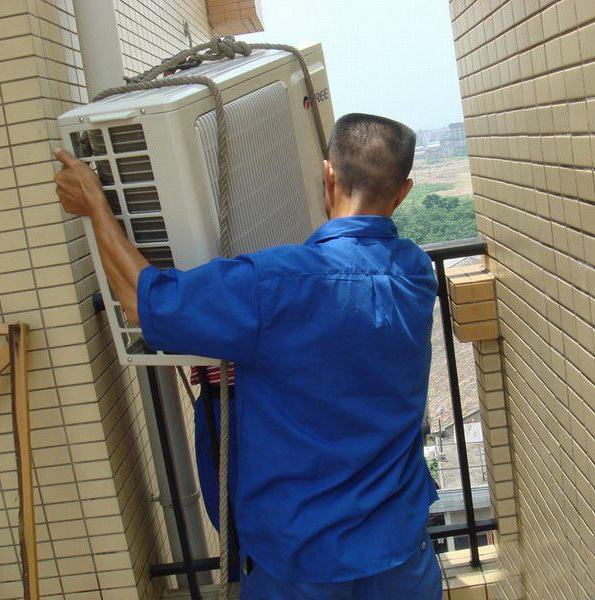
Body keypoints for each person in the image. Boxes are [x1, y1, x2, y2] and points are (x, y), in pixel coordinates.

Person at [54, 113, 442, 600]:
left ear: (327, 175)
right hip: (401, 552)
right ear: (403, 193)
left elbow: (141, 299)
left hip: (300, 563)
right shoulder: (416, 273)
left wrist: (95, 205)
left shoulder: (272, 283)